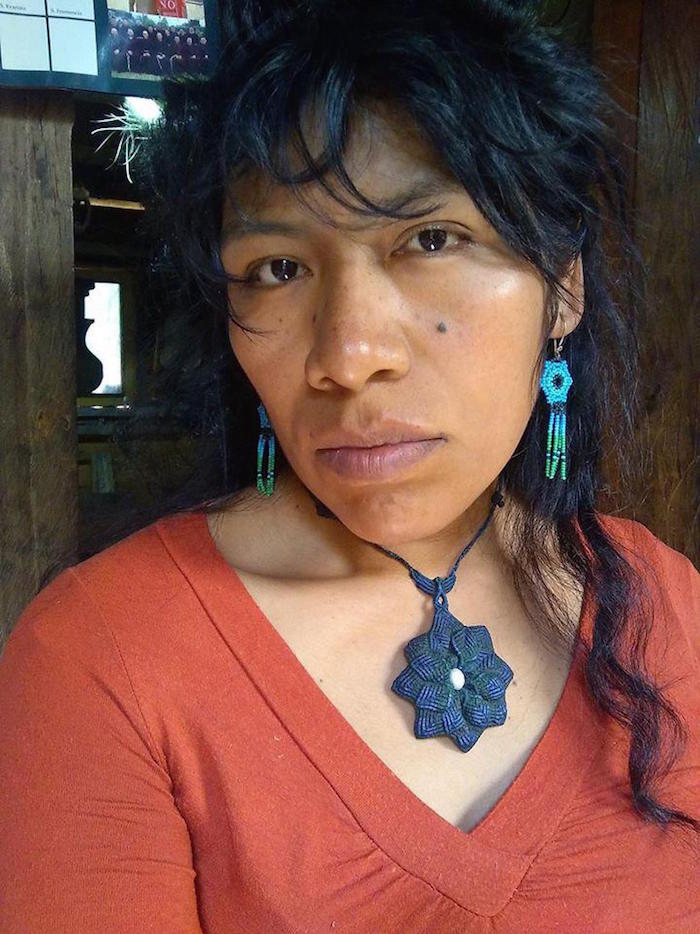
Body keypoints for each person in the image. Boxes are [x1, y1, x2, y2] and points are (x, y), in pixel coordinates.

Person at [0, 1, 697, 931]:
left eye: (432, 240)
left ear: (561, 288)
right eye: (277, 269)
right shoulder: (101, 660)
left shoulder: (668, 605)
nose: (347, 356)